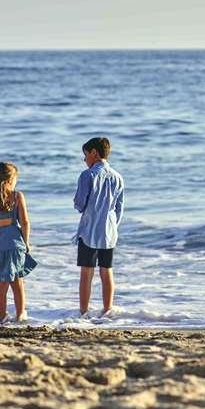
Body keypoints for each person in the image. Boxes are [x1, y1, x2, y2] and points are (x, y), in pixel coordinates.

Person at [73, 136, 124, 317]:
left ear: (94, 153)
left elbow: (80, 204)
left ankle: (83, 312)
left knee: (86, 272)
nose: (84, 159)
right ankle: (107, 310)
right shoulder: (118, 177)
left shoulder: (88, 175)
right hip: (109, 231)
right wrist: (112, 226)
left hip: (89, 230)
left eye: (85, 155)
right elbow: (119, 208)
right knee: (106, 271)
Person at [0, 161, 37, 324]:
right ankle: (20, 315)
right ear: (10, 180)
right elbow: (25, 222)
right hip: (15, 245)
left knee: (1, 283)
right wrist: (26, 243)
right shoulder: (17, 196)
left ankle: (2, 316)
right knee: (17, 281)